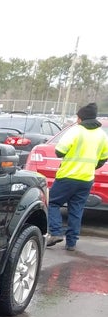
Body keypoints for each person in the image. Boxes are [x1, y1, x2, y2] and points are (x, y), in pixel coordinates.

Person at [46, 102, 108, 251]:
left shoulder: (75, 131)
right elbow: (103, 158)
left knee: (53, 203)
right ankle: (71, 243)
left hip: (67, 176)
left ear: (80, 118)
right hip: (86, 178)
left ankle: (55, 232)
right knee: (76, 209)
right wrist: (90, 167)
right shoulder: (102, 135)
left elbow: (59, 151)